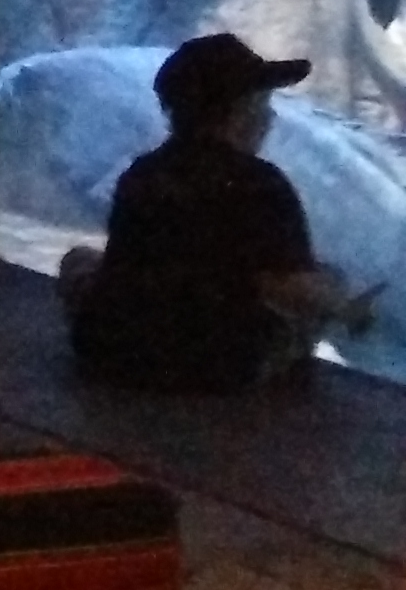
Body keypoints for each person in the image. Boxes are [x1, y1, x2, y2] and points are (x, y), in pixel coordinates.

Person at [61, 34, 379, 391]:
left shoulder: (141, 173)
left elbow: (127, 263)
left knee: (78, 260)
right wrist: (345, 307)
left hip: (118, 353)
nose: (270, 117)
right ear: (242, 113)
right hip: (217, 366)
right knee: (327, 279)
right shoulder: (263, 185)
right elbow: (292, 288)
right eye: (263, 105)